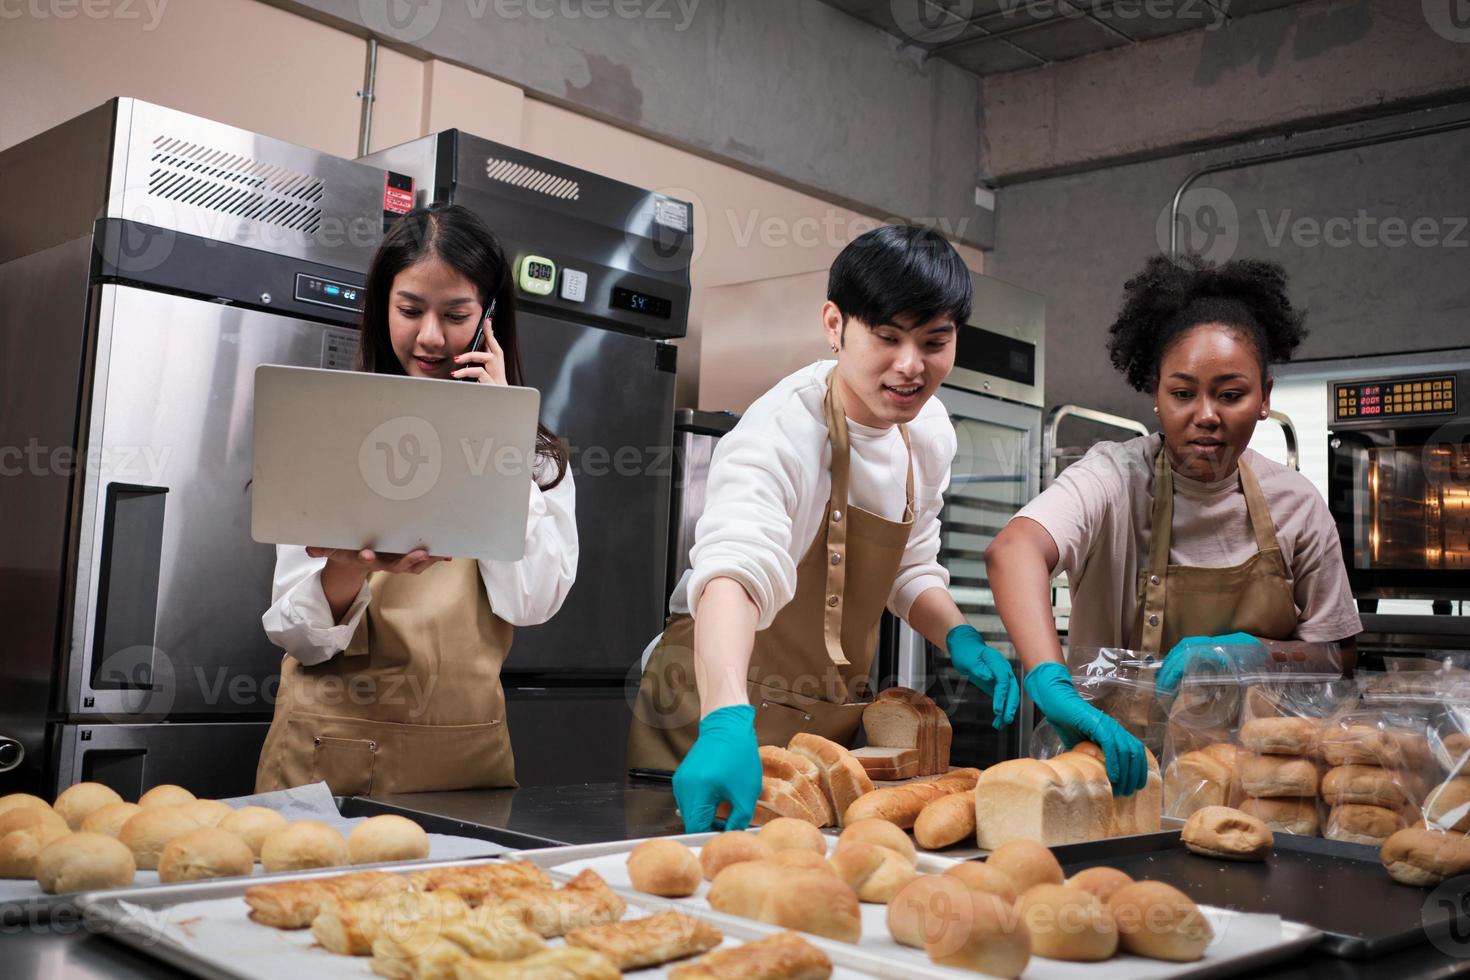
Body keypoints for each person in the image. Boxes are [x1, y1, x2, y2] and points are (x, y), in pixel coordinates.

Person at [627, 225, 1020, 831]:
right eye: (887, 338)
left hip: (820, 725)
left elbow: (911, 567)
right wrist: (725, 721)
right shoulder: (780, 428)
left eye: (935, 342)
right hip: (710, 710)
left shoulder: (930, 431)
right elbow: (733, 571)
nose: (911, 366)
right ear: (835, 325)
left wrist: (959, 637)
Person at [986, 254, 1362, 795]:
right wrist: (1049, 678)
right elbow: (1014, 550)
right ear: (1157, 396)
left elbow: (1339, 657)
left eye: (1230, 395)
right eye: (1182, 394)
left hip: (1257, 787)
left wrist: (1251, 653)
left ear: (1265, 399)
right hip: (1108, 778)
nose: (1205, 414)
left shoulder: (1295, 505)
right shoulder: (1114, 478)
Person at [255, 204, 577, 795]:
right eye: (409, 310)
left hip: (464, 765)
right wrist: (348, 565)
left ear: (490, 320)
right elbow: (297, 638)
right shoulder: (327, 430)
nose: (430, 337)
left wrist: (499, 437)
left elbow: (531, 604)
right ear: (383, 309)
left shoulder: (534, 460)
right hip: (327, 760)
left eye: (456, 315)